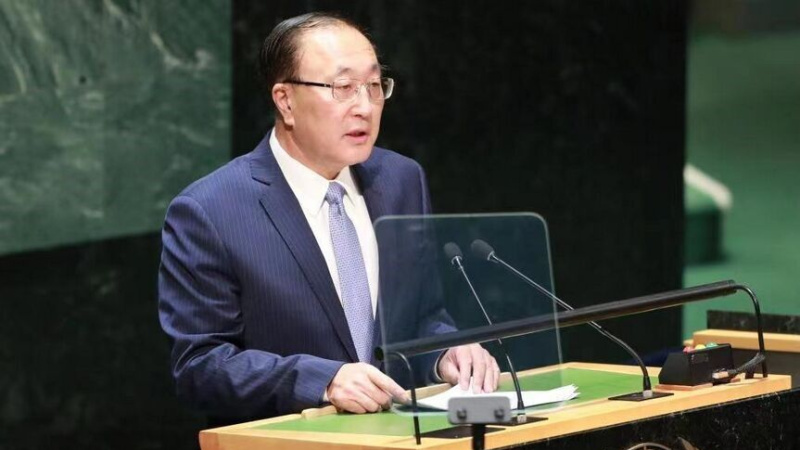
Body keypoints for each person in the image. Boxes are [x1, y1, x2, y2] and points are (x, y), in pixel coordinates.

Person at [158, 12, 499, 423]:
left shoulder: (401, 180)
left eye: (374, 86)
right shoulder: (210, 210)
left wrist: (445, 353)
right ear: (285, 101)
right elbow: (201, 367)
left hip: (405, 436)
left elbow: (422, 318)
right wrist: (323, 381)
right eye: (343, 88)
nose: (365, 107)